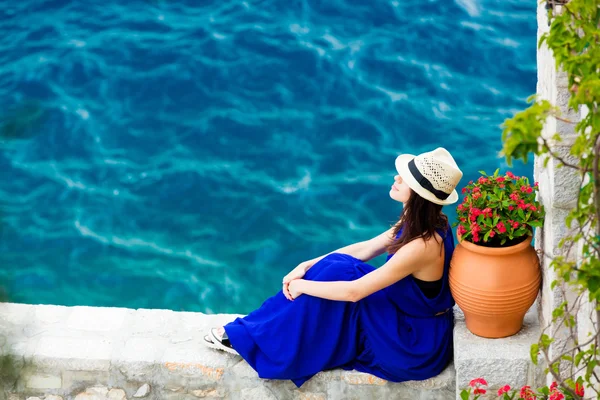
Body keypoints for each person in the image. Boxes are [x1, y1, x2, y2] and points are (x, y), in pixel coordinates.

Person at [203, 147, 463, 388]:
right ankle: (254, 331)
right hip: (402, 314)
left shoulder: (423, 245)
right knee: (338, 266)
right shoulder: (425, 220)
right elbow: (365, 249)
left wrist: (302, 286)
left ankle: (258, 339)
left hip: (412, 342)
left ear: (418, 194)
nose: (396, 178)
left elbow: (354, 292)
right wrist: (305, 266)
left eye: (404, 178)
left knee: (336, 287)